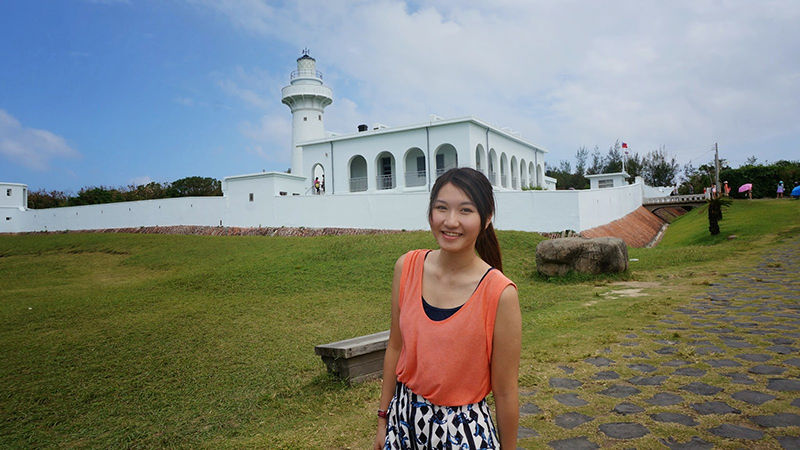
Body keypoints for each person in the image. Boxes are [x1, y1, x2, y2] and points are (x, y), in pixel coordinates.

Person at [374, 167, 521, 450]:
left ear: (486, 219)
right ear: (430, 212)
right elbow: (395, 347)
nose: (450, 221)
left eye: (465, 210)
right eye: (441, 208)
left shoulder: (500, 293)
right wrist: (383, 420)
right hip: (403, 421)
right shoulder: (407, 267)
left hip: (462, 431)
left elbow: (505, 391)